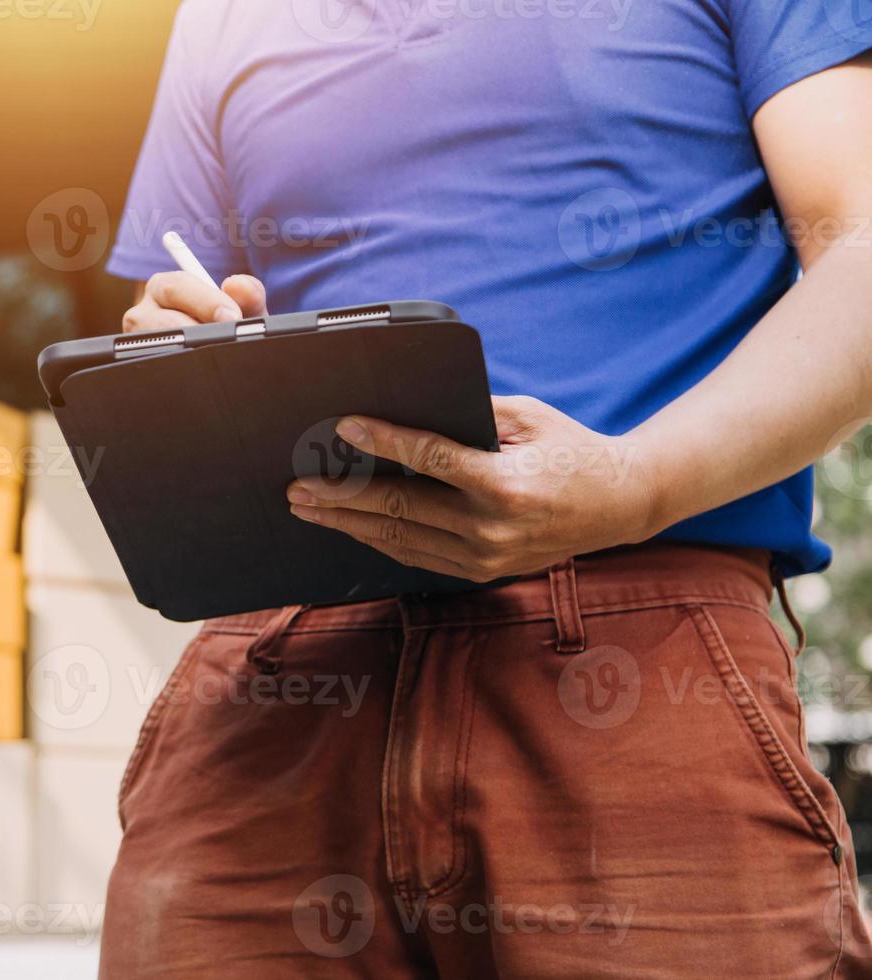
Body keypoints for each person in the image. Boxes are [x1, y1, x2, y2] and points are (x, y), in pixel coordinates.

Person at [101, 0, 872, 974]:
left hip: (639, 644)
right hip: (277, 668)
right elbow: (165, 308)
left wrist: (636, 481)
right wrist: (168, 341)